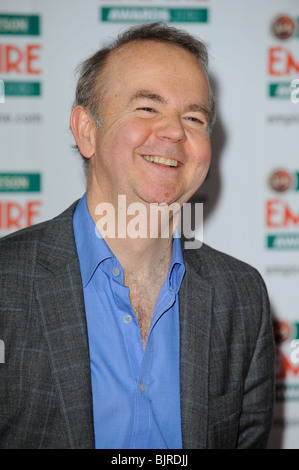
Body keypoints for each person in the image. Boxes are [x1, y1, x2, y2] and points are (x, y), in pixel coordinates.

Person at [0, 22, 275, 449]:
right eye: (148, 108)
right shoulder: (6, 281)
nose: (174, 132)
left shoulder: (242, 295)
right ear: (86, 131)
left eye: (194, 116)